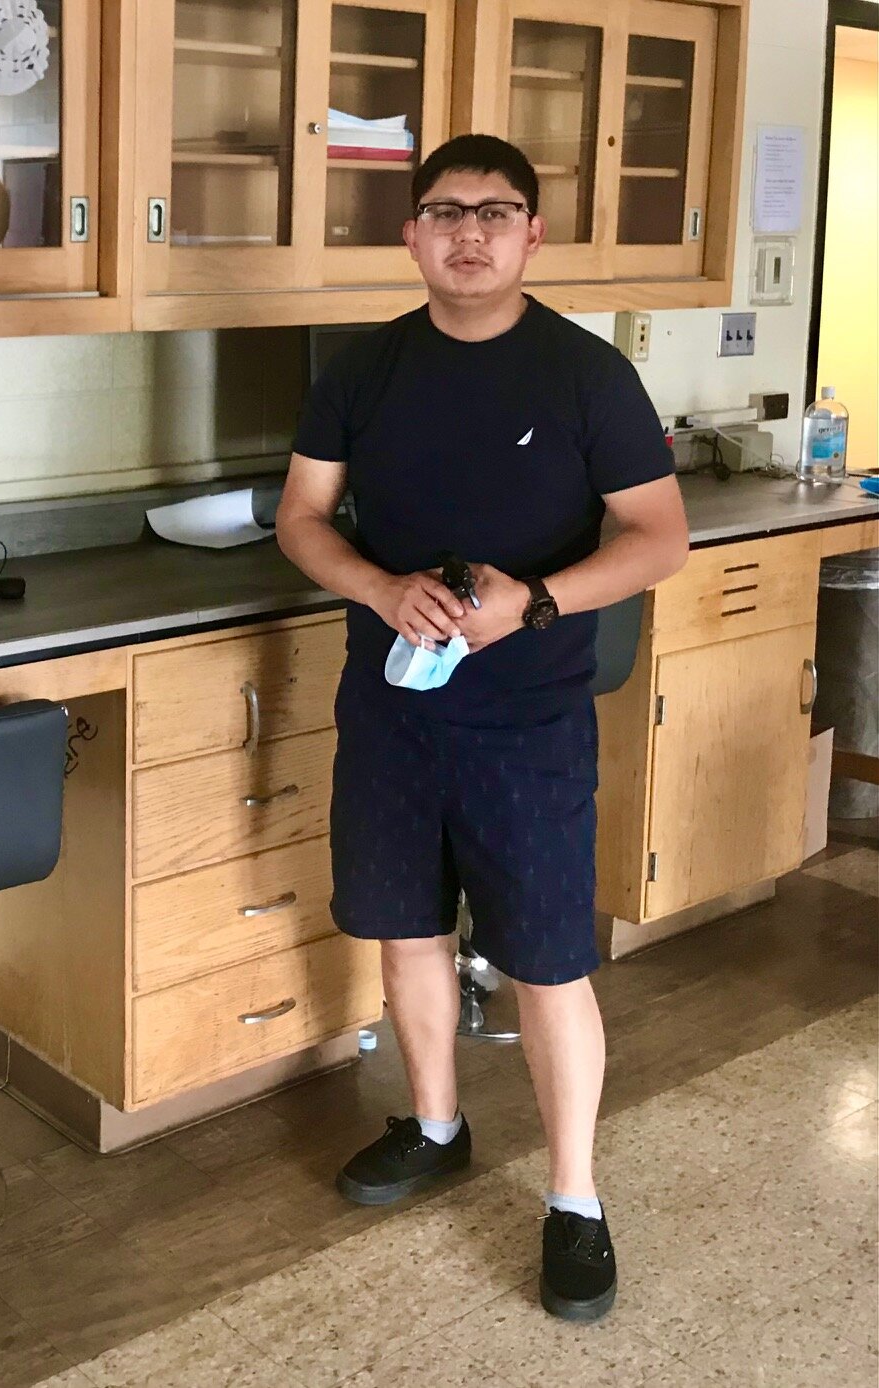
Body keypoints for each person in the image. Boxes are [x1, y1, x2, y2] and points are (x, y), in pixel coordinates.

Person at [275, 134, 689, 1323]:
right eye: (446, 211)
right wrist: (373, 584)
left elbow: (659, 536)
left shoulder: (585, 373)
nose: (469, 232)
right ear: (411, 234)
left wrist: (535, 600)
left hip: (530, 718)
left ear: (532, 237)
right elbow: (303, 516)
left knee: (547, 959)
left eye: (496, 212)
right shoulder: (364, 369)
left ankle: (575, 1200)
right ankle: (439, 1127)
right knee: (404, 930)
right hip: (393, 708)